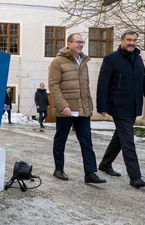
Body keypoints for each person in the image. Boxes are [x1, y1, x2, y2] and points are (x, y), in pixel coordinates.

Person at [96, 29, 145, 189]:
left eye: (134, 40)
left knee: (119, 138)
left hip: (133, 107)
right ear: (122, 40)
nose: (132, 43)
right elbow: (102, 84)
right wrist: (101, 105)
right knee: (128, 142)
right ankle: (135, 177)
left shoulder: (138, 59)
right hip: (118, 106)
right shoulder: (111, 59)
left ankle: (105, 164)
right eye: (129, 40)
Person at [48, 33, 106, 184]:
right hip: (66, 110)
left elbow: (85, 87)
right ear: (69, 44)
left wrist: (90, 105)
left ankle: (90, 173)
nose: (81, 45)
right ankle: (58, 169)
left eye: (82, 42)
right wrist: (63, 105)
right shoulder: (57, 62)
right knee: (61, 140)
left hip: (83, 111)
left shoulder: (84, 62)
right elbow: (53, 86)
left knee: (87, 141)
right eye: (77, 42)